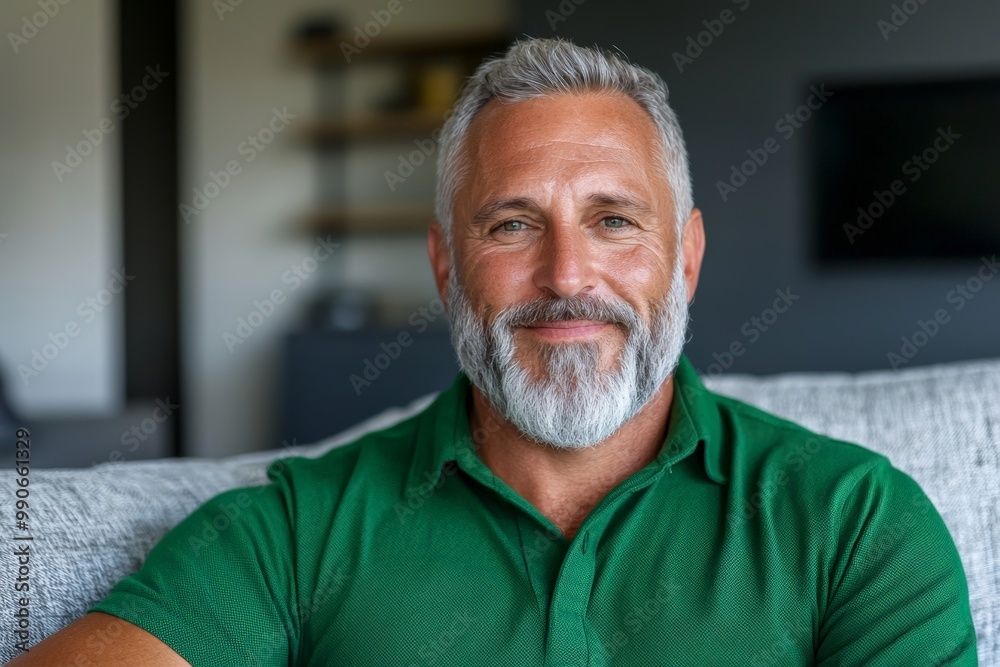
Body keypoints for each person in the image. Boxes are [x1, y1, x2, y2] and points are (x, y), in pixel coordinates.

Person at [12, 37, 975, 666]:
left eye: (613, 220)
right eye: (513, 224)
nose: (567, 274)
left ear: (685, 258)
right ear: (446, 266)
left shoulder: (857, 522)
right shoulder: (296, 531)